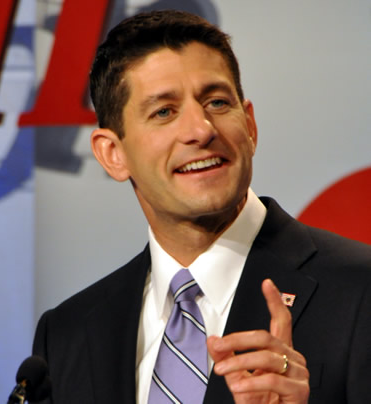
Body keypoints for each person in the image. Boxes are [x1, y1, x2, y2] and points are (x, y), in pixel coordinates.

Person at [32, 10, 371, 404]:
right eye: (164, 111)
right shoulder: (67, 333)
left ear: (250, 126)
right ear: (113, 154)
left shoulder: (360, 291)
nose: (201, 129)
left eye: (216, 102)